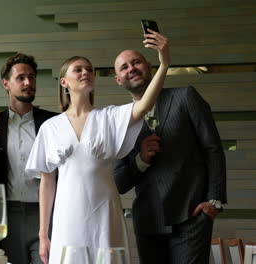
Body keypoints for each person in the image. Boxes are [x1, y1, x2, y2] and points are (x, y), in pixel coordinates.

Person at [25, 29, 170, 264]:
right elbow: (47, 182)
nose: (86, 73)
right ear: (64, 82)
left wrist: (164, 64)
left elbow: (143, 106)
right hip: (67, 217)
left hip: (105, 213)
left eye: (90, 70)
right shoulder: (50, 128)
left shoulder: (109, 117)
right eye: (78, 70)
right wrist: (43, 234)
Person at [113, 32, 227, 263]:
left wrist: (214, 200)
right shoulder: (117, 120)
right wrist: (140, 160)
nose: (131, 68)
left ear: (150, 66)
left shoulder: (185, 97)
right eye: (124, 67)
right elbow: (120, 182)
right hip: (148, 221)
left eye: (136, 62)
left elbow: (213, 149)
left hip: (192, 215)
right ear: (118, 79)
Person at [0, 53, 57, 264]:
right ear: (6, 84)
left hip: (46, 214)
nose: (28, 82)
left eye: (32, 77)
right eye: (20, 77)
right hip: (5, 218)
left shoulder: (53, 123)